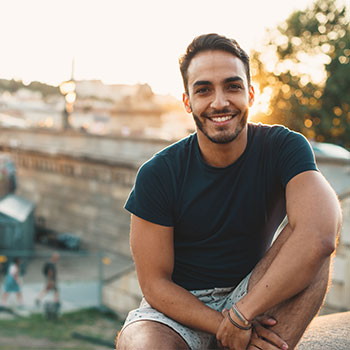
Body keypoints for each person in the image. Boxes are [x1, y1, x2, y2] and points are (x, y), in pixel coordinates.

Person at [116, 33, 342, 350]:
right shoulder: (158, 173)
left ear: (250, 93)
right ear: (187, 101)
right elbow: (155, 285)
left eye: (232, 86)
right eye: (204, 90)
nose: (220, 102)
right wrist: (224, 324)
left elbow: (320, 232)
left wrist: (241, 316)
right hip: (178, 308)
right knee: (142, 345)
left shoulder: (283, 146)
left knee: (315, 242)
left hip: (255, 293)